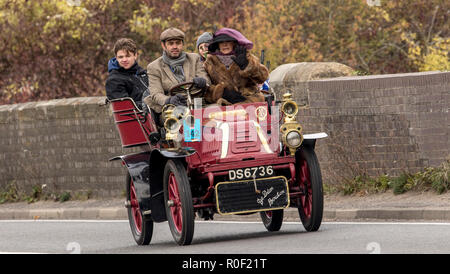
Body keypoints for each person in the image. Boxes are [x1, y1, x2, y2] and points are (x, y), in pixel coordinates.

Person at [143, 27, 210, 114]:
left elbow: (206, 79)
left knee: (218, 111)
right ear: (163, 46)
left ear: (182, 44)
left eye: (178, 43)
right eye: (171, 44)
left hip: (198, 104)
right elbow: (156, 94)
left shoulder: (194, 58)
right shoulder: (154, 67)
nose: (175, 47)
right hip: (172, 108)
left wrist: (203, 82)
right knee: (182, 118)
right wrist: (169, 99)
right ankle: (193, 127)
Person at [203, 28, 269, 105]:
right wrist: (223, 93)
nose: (225, 45)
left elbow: (263, 77)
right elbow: (205, 89)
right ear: (217, 44)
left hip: (250, 101)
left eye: (228, 41)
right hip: (224, 104)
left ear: (234, 43)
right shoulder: (210, 62)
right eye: (221, 42)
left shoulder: (246, 56)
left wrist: (246, 66)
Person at [105, 38, 149, 110]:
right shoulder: (113, 81)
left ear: (135, 55)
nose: (124, 60)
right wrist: (152, 103)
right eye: (120, 57)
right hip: (136, 119)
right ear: (116, 57)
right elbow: (126, 108)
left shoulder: (143, 73)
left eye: (128, 56)